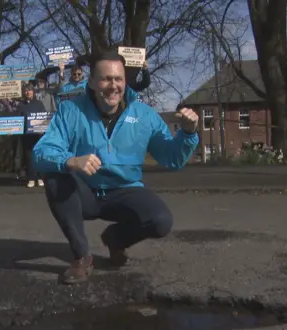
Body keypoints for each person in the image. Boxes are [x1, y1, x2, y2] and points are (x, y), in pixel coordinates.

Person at [32, 51, 200, 284]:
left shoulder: (144, 115)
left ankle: (115, 240)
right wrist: (70, 160)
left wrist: (188, 133)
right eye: (105, 79)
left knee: (161, 221)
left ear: (125, 81)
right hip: (85, 192)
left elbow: (172, 158)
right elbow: (41, 152)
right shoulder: (70, 111)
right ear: (91, 82)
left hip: (125, 190)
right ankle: (82, 256)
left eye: (118, 79)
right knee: (54, 175)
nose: (113, 86)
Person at [18, 82, 47, 188]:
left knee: (38, 156)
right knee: (28, 157)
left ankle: (40, 177)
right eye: (26, 90)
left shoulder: (39, 103)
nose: (28, 92)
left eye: (29, 90)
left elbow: (44, 118)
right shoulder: (21, 105)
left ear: (33, 92)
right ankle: (30, 178)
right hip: (26, 135)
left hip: (39, 135)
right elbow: (18, 120)